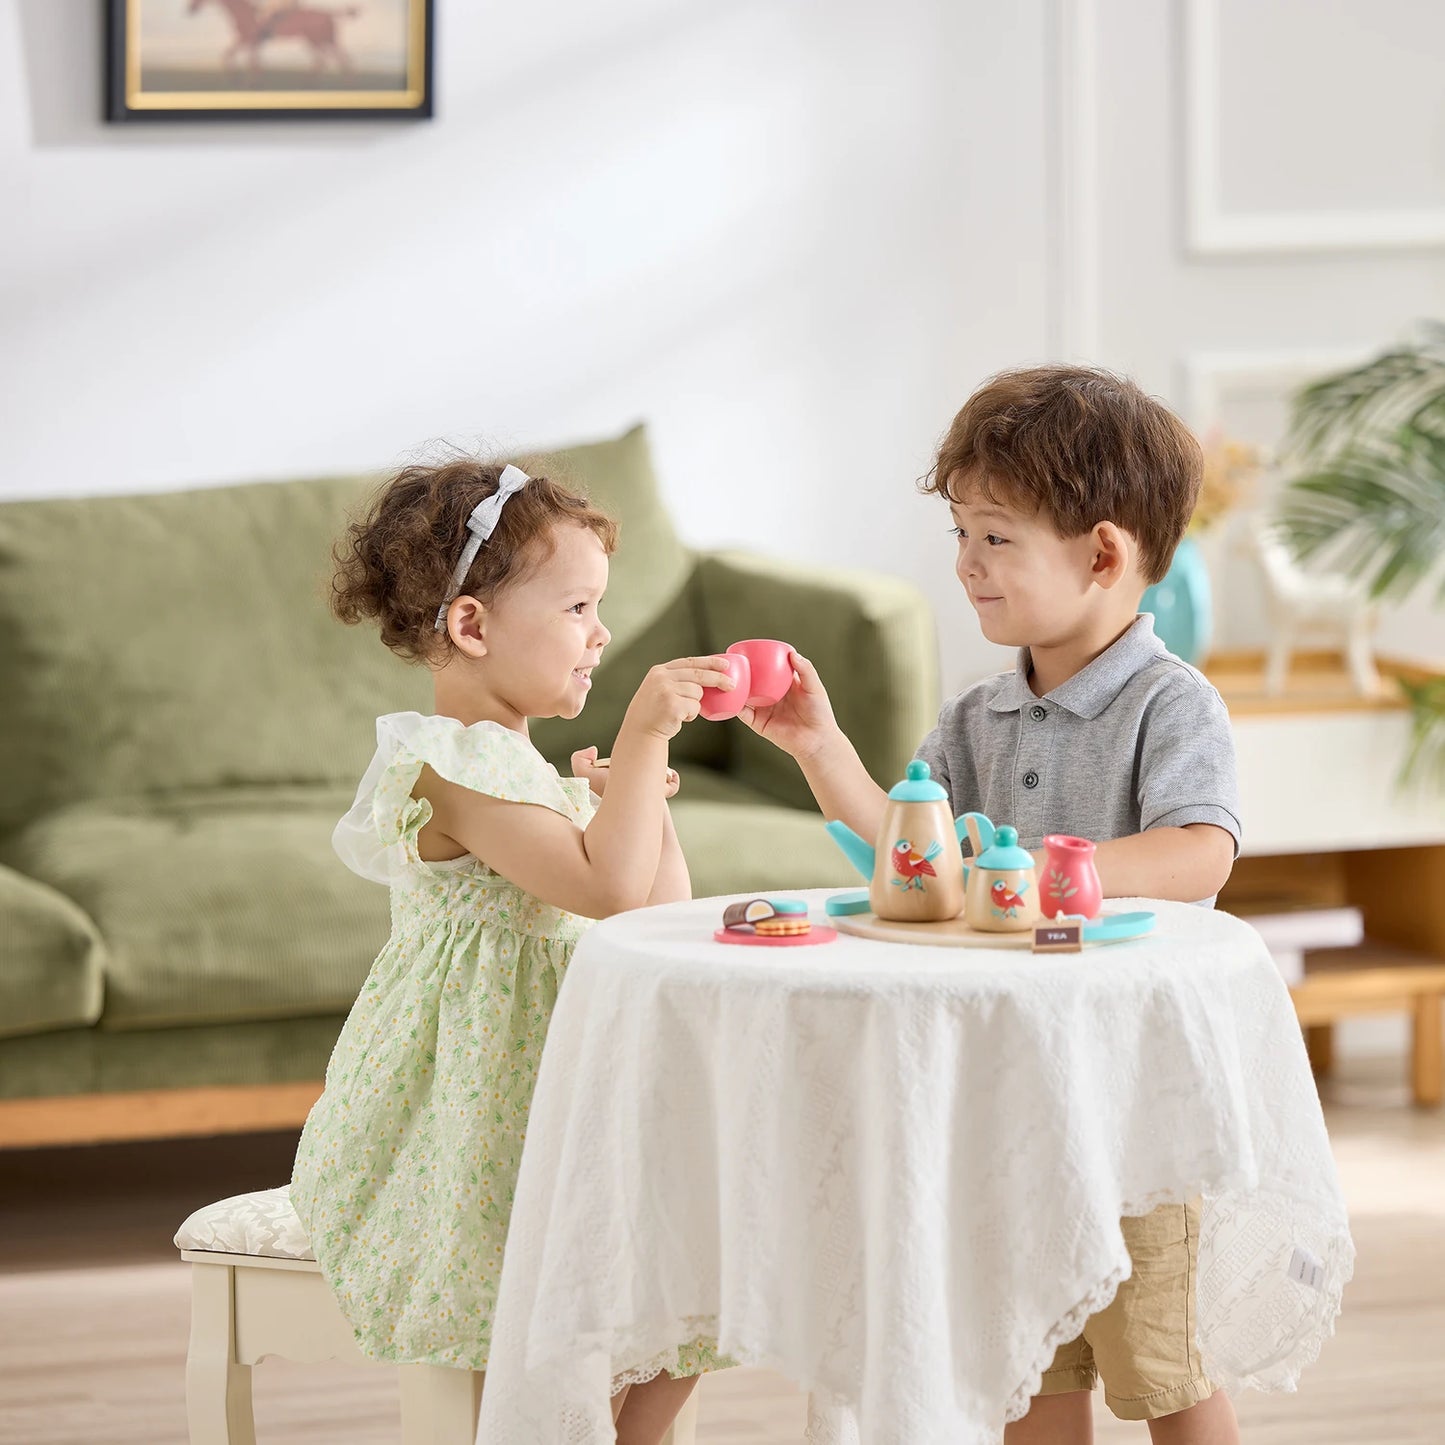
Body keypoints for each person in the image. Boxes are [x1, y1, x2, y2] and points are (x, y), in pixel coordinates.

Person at [740, 365, 1244, 1444]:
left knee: (1161, 1368)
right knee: (1024, 1370)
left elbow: (1199, 851)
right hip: (1005, 1102)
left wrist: (1053, 875)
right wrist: (822, 750)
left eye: (996, 536)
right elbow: (914, 859)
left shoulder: (1170, 701)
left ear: (1103, 554)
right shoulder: (977, 716)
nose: (965, 563)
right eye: (961, 531)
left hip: (1128, 1105)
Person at [290, 456, 733, 1445]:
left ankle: (628, 1431)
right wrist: (650, 732)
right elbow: (605, 888)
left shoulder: (529, 771)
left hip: (565, 1079)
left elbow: (651, 912)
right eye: (576, 605)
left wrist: (638, 802)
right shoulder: (453, 767)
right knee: (535, 1312)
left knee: (701, 1237)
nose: (601, 632)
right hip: (479, 1108)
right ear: (472, 626)